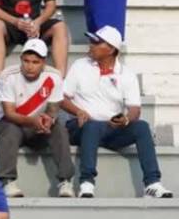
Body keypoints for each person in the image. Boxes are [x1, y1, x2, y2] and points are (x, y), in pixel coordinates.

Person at [61, 26, 172, 198]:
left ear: (111, 49)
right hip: (81, 126)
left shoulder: (126, 74)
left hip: (110, 128)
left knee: (142, 127)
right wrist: (78, 111)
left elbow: (135, 108)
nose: (90, 45)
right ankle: (87, 182)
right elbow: (62, 98)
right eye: (91, 41)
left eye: (96, 43)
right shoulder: (80, 65)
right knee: (92, 126)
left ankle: (152, 183)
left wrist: (126, 119)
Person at [0, 38, 75, 198]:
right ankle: (8, 181)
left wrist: (47, 121)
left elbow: (53, 109)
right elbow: (9, 113)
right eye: (26, 61)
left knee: (59, 128)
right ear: (21, 59)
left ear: (43, 62)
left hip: (39, 127)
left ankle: (66, 181)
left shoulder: (54, 76)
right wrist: (33, 121)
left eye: (35, 62)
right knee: (10, 129)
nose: (29, 66)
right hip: (11, 125)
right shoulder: (8, 75)